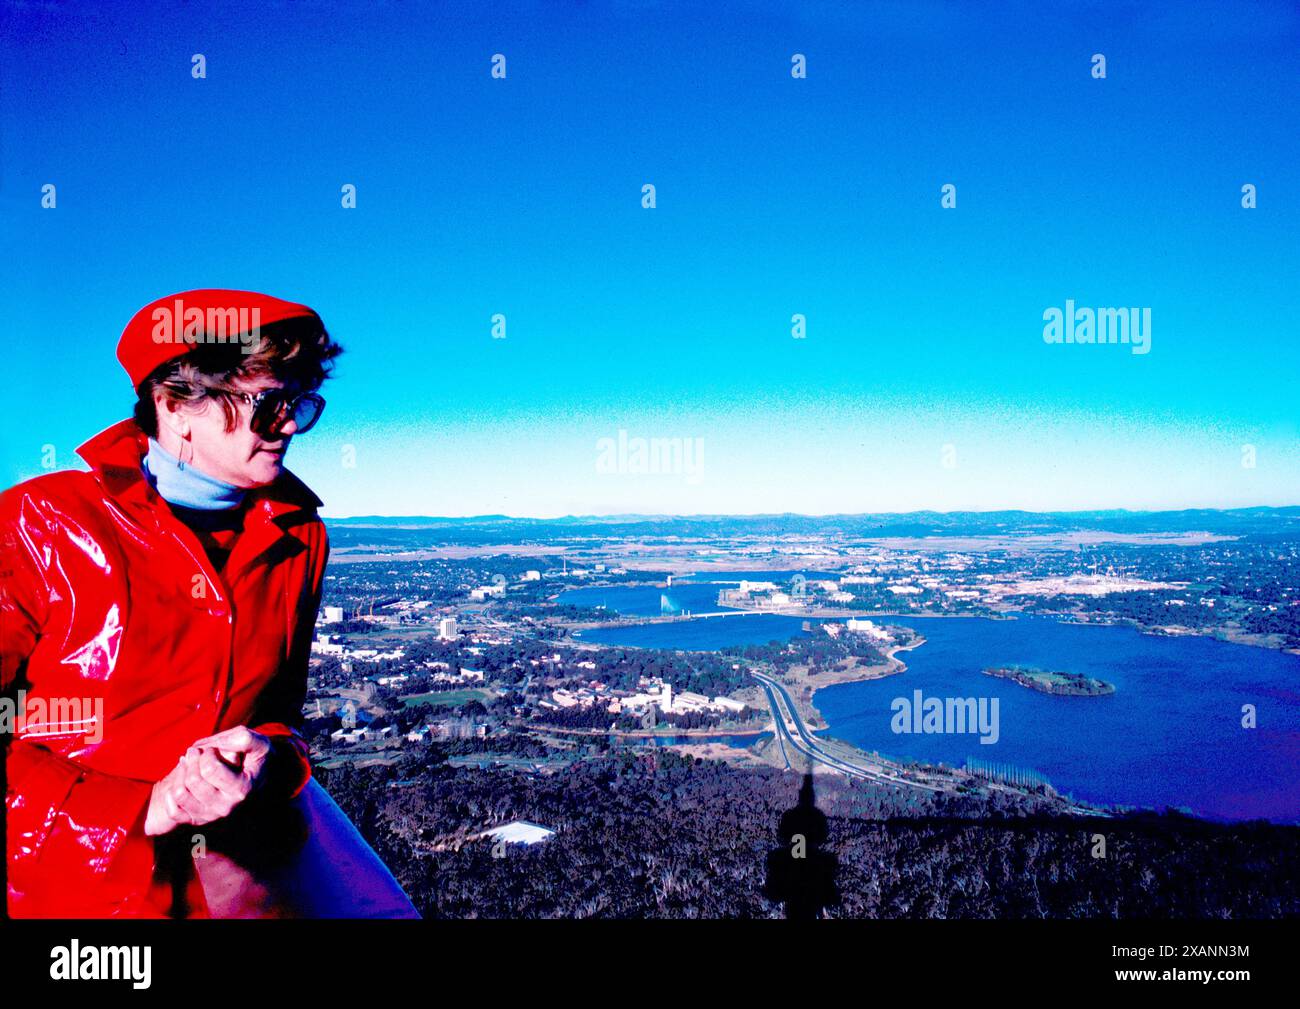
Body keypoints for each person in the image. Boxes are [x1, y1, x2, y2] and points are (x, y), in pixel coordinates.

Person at [2, 289, 415, 917]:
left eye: (300, 403)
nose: (288, 425)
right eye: (267, 403)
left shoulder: (299, 536)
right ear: (175, 406)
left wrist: (268, 757)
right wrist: (141, 811)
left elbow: (279, 713)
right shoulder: (41, 522)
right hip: (69, 898)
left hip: (238, 890)